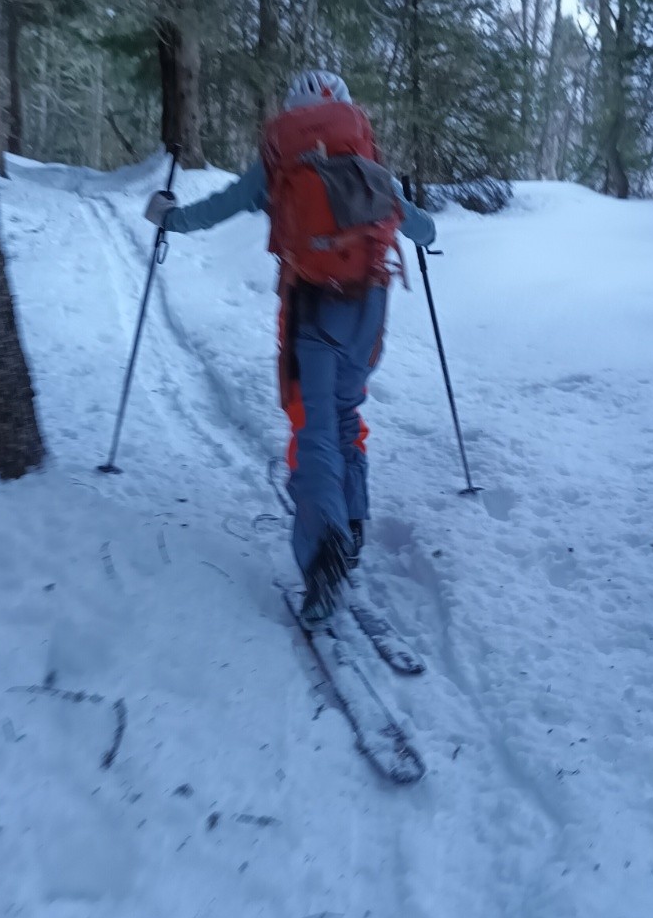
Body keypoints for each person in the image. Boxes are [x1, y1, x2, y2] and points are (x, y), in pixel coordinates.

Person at [144, 69, 436, 623]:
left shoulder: (281, 158)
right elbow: (423, 231)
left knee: (315, 428)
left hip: (311, 306)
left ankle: (321, 552)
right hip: (371, 305)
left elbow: (223, 206)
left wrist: (169, 217)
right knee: (347, 414)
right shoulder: (365, 155)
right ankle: (351, 525)